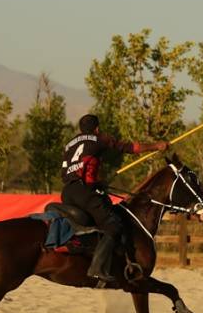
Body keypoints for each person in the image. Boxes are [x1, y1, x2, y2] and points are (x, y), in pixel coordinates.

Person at [61, 114, 168, 283]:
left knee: (99, 218)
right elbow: (130, 148)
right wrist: (157, 145)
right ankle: (97, 267)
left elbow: (73, 170)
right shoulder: (99, 138)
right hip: (84, 193)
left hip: (67, 192)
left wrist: (98, 183)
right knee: (113, 226)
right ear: (97, 128)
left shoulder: (70, 144)